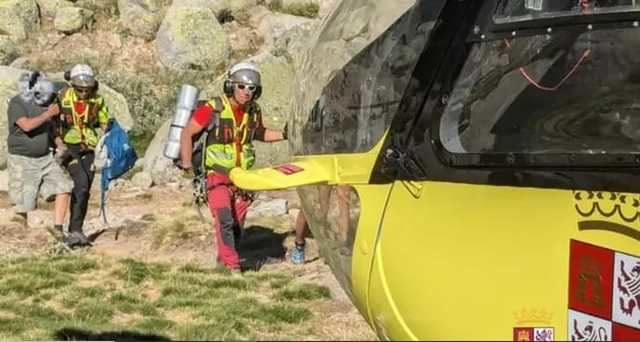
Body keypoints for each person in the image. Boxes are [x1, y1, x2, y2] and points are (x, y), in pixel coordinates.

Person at [179, 61, 287, 273]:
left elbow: (259, 133)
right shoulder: (213, 108)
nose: (246, 92)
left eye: (251, 88)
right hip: (217, 174)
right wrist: (186, 165)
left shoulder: (254, 111)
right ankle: (232, 266)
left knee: (236, 224)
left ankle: (225, 258)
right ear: (231, 86)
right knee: (224, 218)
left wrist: (284, 134)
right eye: (241, 86)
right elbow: (187, 133)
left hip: (243, 177)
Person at [6, 71, 72, 237]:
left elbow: (50, 129)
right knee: (23, 204)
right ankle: (20, 237)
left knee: (64, 187)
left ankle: (58, 230)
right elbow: (26, 126)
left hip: (45, 158)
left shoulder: (46, 102)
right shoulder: (17, 103)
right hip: (22, 159)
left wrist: (60, 144)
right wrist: (48, 113)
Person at [55, 63, 110, 248]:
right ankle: (72, 230)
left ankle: (76, 229)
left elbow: (104, 122)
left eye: (87, 89)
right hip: (70, 145)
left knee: (85, 189)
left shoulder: (98, 100)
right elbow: (52, 120)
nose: (84, 93)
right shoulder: (62, 97)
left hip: (89, 146)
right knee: (80, 183)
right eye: (80, 89)